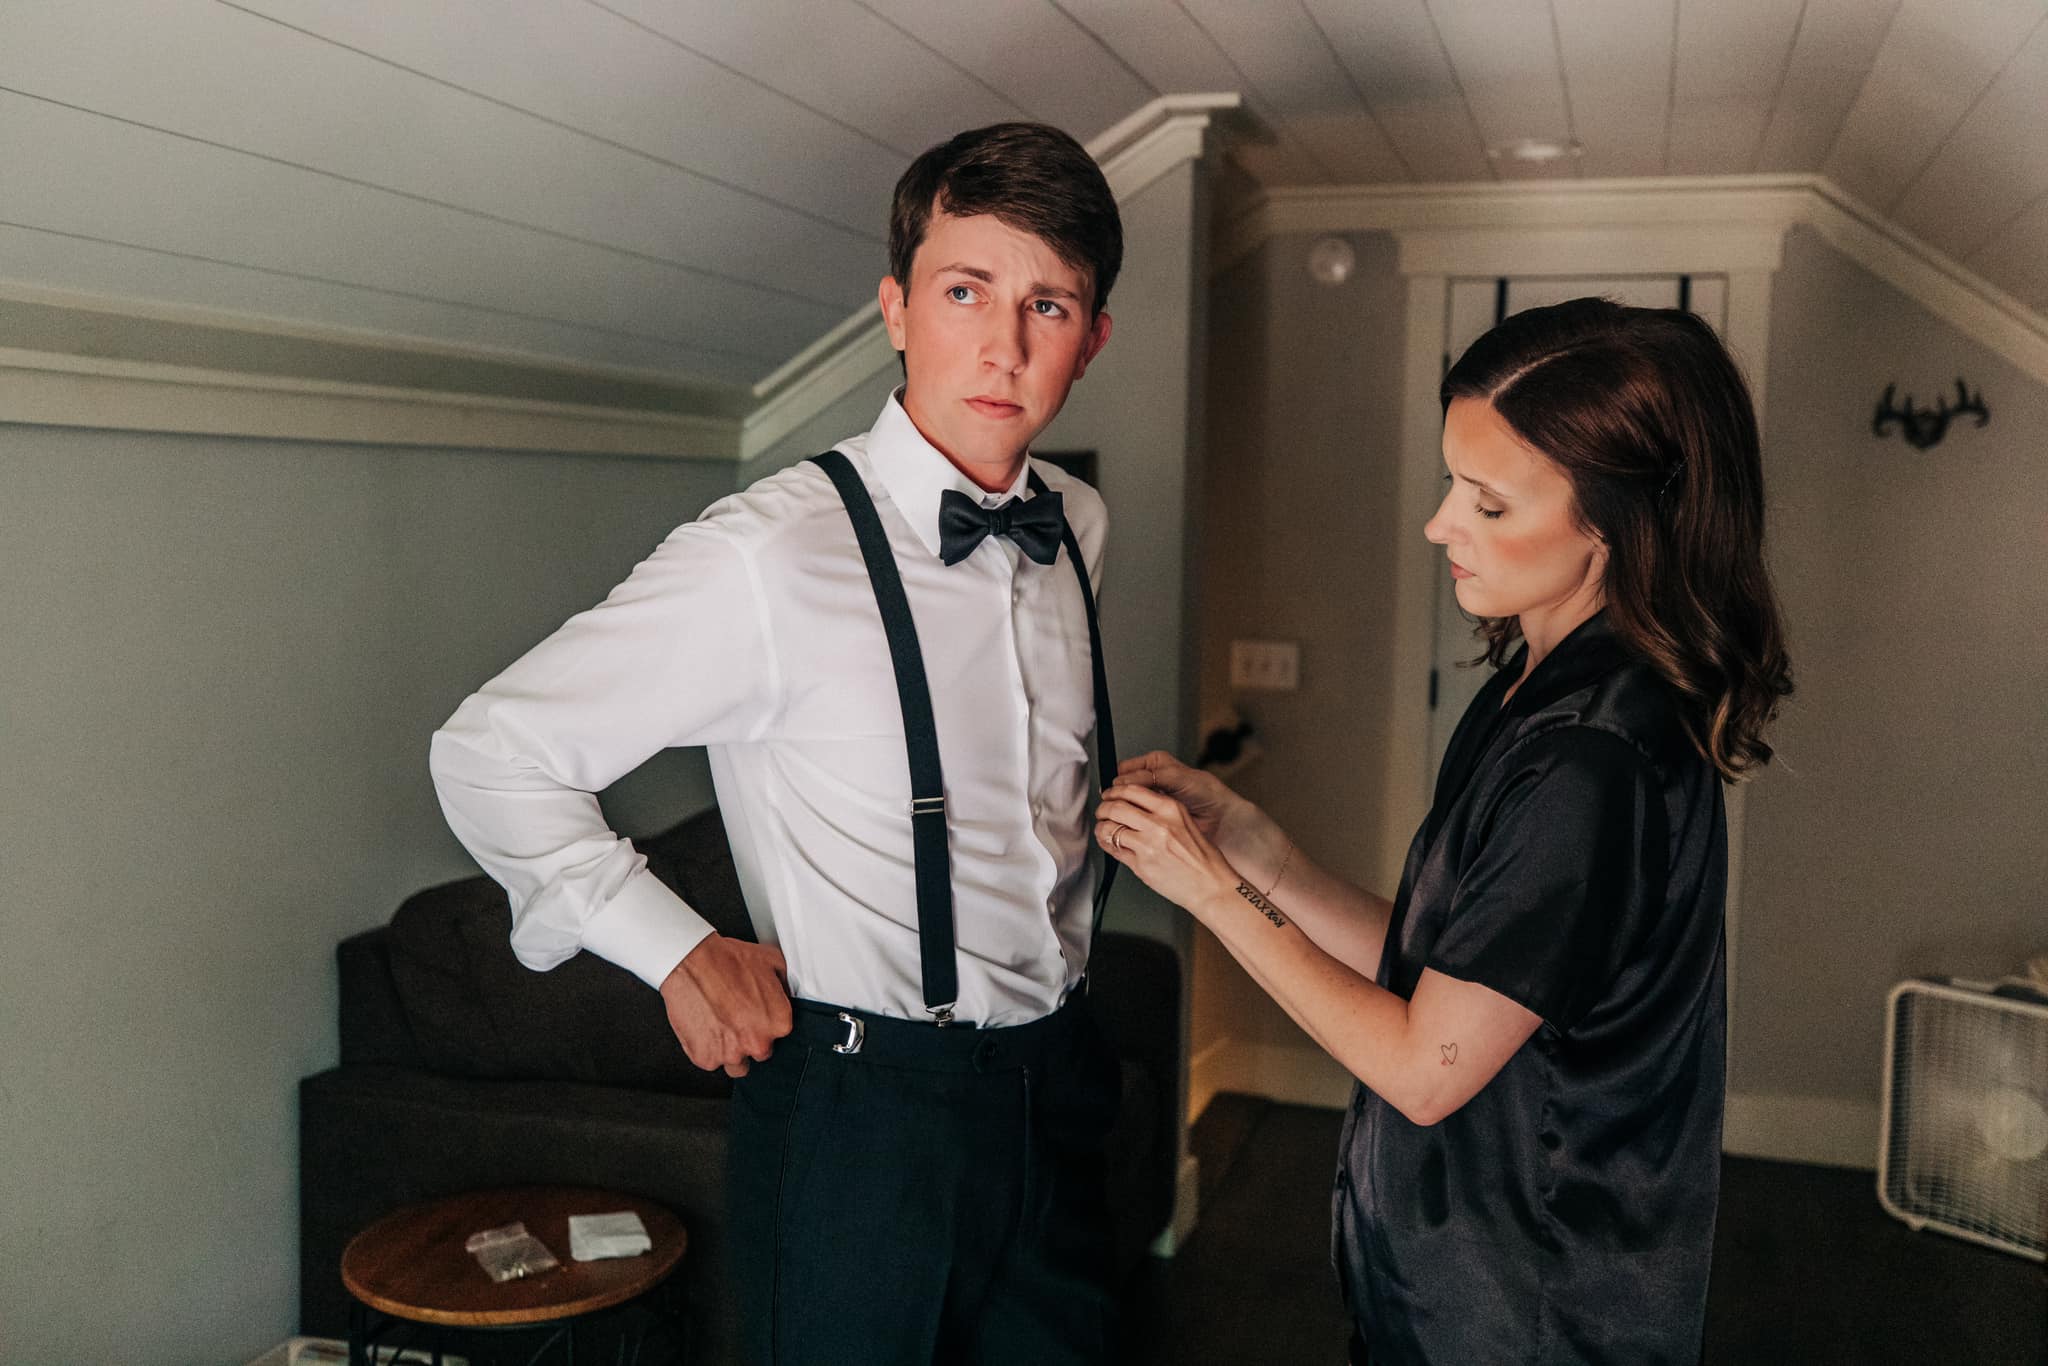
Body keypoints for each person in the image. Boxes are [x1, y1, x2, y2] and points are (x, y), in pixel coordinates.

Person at [429, 122, 1124, 1366]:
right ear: (895, 308)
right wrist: (673, 948)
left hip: (1063, 1087)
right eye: (964, 290)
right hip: (867, 1118)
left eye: (1048, 305)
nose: (1004, 345)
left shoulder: (1075, 523)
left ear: (1092, 336)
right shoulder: (768, 554)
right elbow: (491, 752)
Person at [1095, 298, 1792, 1365]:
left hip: (1525, 1310)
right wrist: (1256, 851)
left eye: (1487, 503)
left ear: (1615, 521)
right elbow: (1453, 973)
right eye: (1448, 482)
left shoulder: (1588, 761)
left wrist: (1205, 892)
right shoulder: (1530, 683)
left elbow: (1426, 1067)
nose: (1437, 524)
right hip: (1452, 1280)